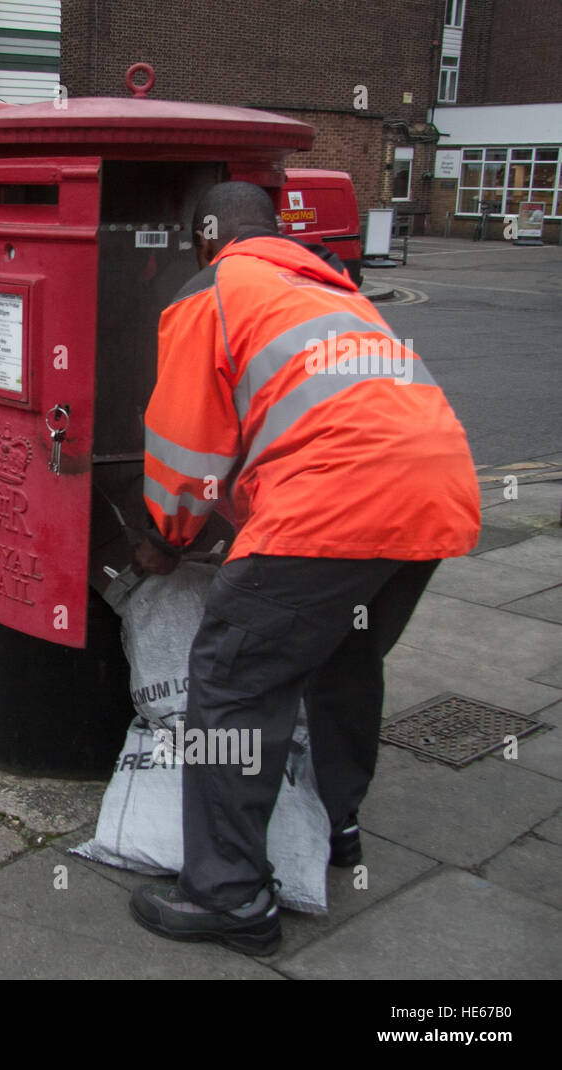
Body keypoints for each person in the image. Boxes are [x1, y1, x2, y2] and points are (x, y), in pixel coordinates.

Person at [127, 181, 480, 956]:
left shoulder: (212, 288)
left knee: (231, 684)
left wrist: (170, 539)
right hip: (435, 493)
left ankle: (231, 896)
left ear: (203, 238)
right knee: (342, 655)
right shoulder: (332, 289)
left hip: (338, 504)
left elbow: (186, 453)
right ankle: (336, 827)